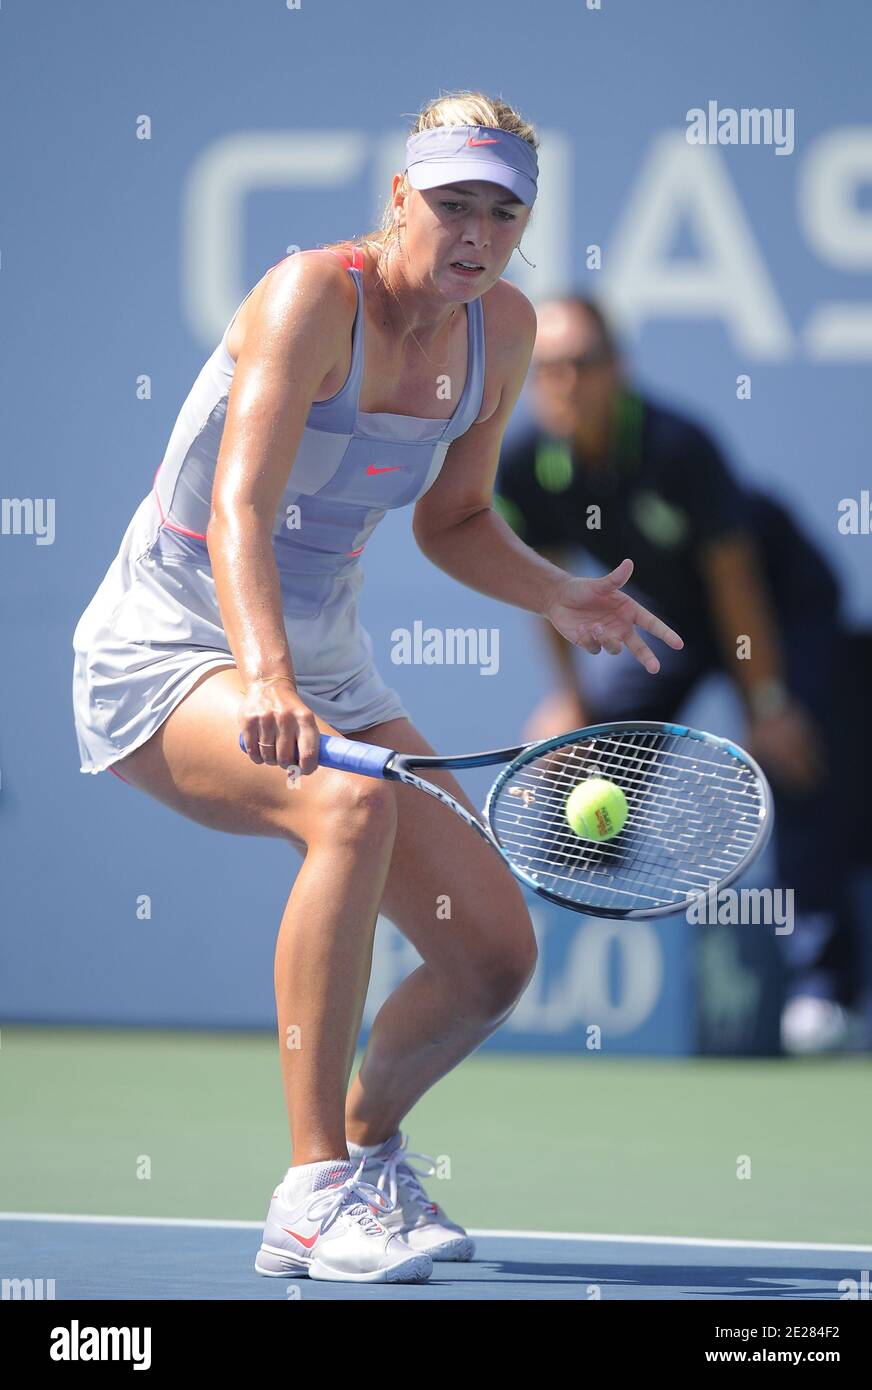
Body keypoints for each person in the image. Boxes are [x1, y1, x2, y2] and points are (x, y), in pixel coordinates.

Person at [71, 94, 683, 1285]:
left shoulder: (499, 330)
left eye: (501, 213)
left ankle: (367, 1153)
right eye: (452, 202)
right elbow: (237, 509)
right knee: (344, 810)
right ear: (398, 197)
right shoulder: (311, 295)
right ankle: (306, 1194)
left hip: (320, 658)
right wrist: (264, 674)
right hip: (168, 641)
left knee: (490, 957)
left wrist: (553, 592)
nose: (474, 232)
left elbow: (453, 520)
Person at [494, 295, 862, 1056]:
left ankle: (825, 991)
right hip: (674, 615)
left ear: (618, 369)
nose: (567, 380)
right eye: (550, 368)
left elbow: (736, 581)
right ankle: (581, 951)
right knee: (592, 746)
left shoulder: (677, 445)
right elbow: (547, 586)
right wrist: (567, 699)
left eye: (584, 363)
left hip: (781, 602)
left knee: (791, 757)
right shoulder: (528, 463)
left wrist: (766, 701)